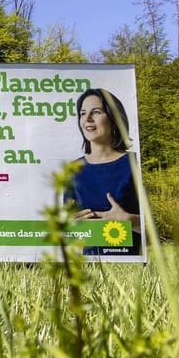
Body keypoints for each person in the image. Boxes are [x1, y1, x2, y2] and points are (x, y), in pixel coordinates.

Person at [65, 88, 142, 255]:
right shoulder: (72, 171)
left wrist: (130, 221)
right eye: (83, 113)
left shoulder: (135, 165)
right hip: (85, 269)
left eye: (97, 112)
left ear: (114, 120)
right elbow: (64, 234)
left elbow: (157, 232)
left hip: (130, 269)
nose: (88, 119)